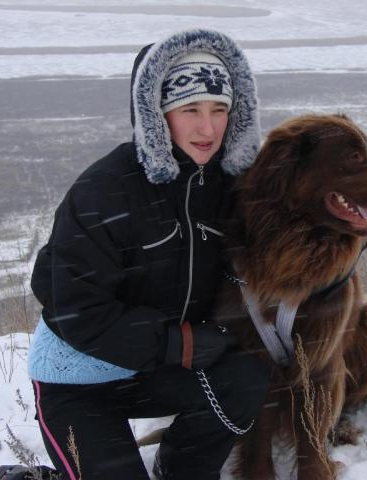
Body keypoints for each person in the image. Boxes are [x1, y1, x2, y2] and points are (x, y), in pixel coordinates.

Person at [24, 29, 270, 480]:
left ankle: (180, 470)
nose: (208, 128)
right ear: (156, 112)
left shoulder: (233, 186)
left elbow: (288, 242)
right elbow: (76, 310)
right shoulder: (105, 189)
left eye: (220, 110)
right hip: (80, 379)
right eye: (190, 109)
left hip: (156, 371)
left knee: (245, 379)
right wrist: (182, 342)